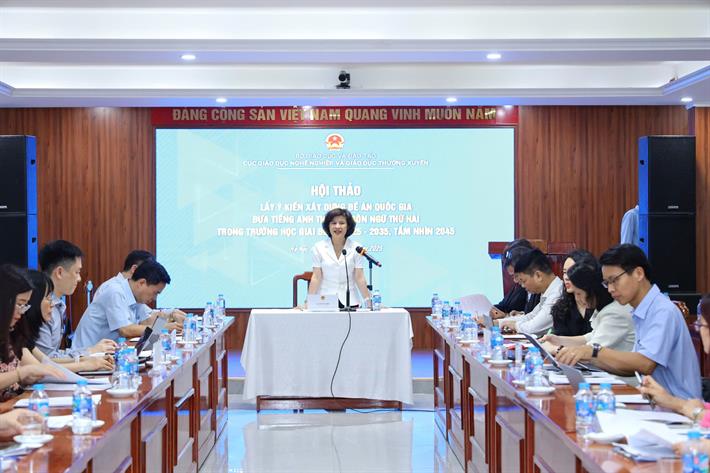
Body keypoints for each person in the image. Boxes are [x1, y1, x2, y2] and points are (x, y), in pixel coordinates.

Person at [556, 244, 700, 400]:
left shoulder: (662, 311)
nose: (610, 289)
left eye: (614, 280)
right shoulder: (640, 310)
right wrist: (591, 359)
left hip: (679, 406)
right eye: (606, 283)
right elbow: (632, 369)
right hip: (654, 401)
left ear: (638, 273)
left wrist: (594, 351)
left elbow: (645, 364)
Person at [73, 259, 180, 348]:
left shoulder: (135, 296)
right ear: (141, 283)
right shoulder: (115, 292)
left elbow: (147, 320)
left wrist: (172, 317)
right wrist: (163, 327)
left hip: (107, 353)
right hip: (86, 355)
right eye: (155, 293)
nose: (155, 298)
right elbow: (125, 330)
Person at [22, 270, 114, 373]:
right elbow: (41, 369)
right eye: (48, 298)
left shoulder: (24, 337)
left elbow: (46, 361)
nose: (52, 304)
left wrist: (86, 359)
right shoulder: (17, 336)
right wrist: (85, 363)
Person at [37, 240, 116, 358]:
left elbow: (53, 354)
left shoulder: (58, 304)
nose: (79, 278)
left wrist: (89, 351)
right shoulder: (41, 306)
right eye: (77, 272)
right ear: (59, 272)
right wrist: (89, 352)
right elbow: (46, 359)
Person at [541, 260, 635, 353]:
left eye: (579, 293)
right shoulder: (604, 307)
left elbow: (590, 352)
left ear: (592, 291)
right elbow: (590, 337)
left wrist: (555, 349)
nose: (577, 298)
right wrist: (558, 340)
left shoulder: (615, 313)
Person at [0, 264, 64, 400]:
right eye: (19, 304)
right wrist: (21, 373)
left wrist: (27, 377)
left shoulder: (11, 333)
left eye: (25, 305)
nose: (22, 312)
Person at [94, 249, 185, 324]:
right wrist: (165, 326)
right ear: (135, 269)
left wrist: (171, 314)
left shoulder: (133, 292)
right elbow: (125, 330)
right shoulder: (112, 289)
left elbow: (147, 318)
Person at [308, 208, 372, 308]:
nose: (337, 226)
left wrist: (369, 301)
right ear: (328, 226)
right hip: (325, 301)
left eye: (342, 223)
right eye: (333, 223)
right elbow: (316, 277)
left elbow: (359, 277)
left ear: (348, 226)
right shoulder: (318, 247)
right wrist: (308, 302)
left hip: (350, 301)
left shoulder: (357, 248)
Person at [497, 249, 564, 336]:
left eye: (523, 281)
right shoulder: (548, 291)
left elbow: (535, 327)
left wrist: (515, 326)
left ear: (538, 276)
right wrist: (499, 322)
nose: (522, 286)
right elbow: (531, 316)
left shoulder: (558, 293)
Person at [549, 249, 597, 336]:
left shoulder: (600, 305)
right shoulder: (561, 309)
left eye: (571, 272)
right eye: (564, 272)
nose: (566, 277)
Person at [489, 239, 534, 319]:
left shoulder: (532, 289)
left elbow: (533, 319)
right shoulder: (517, 287)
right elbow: (503, 305)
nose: (515, 280)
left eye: (516, 276)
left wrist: (506, 316)